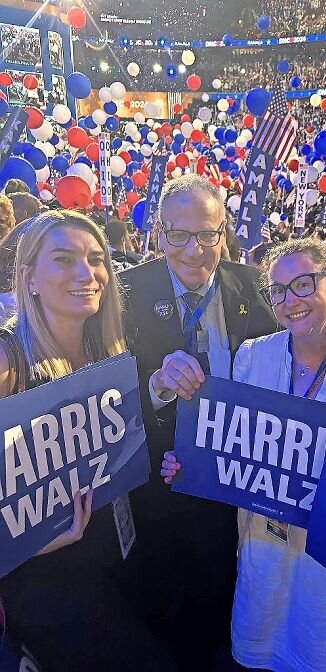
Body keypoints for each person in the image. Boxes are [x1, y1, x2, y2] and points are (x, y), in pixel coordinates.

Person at [120, 175, 326, 671]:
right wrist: (157, 386)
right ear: (158, 234)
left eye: (208, 233)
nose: (194, 249)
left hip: (246, 499)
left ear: (224, 232)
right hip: (163, 487)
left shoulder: (253, 285)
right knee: (164, 626)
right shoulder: (125, 293)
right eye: (180, 235)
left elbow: (307, 325)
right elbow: (108, 392)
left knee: (236, 615)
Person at [0, 209, 178, 672]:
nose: (86, 273)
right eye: (63, 259)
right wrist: (30, 542)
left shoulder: (107, 350)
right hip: (48, 584)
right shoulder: (7, 360)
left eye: (96, 258)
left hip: (119, 556)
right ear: (29, 277)